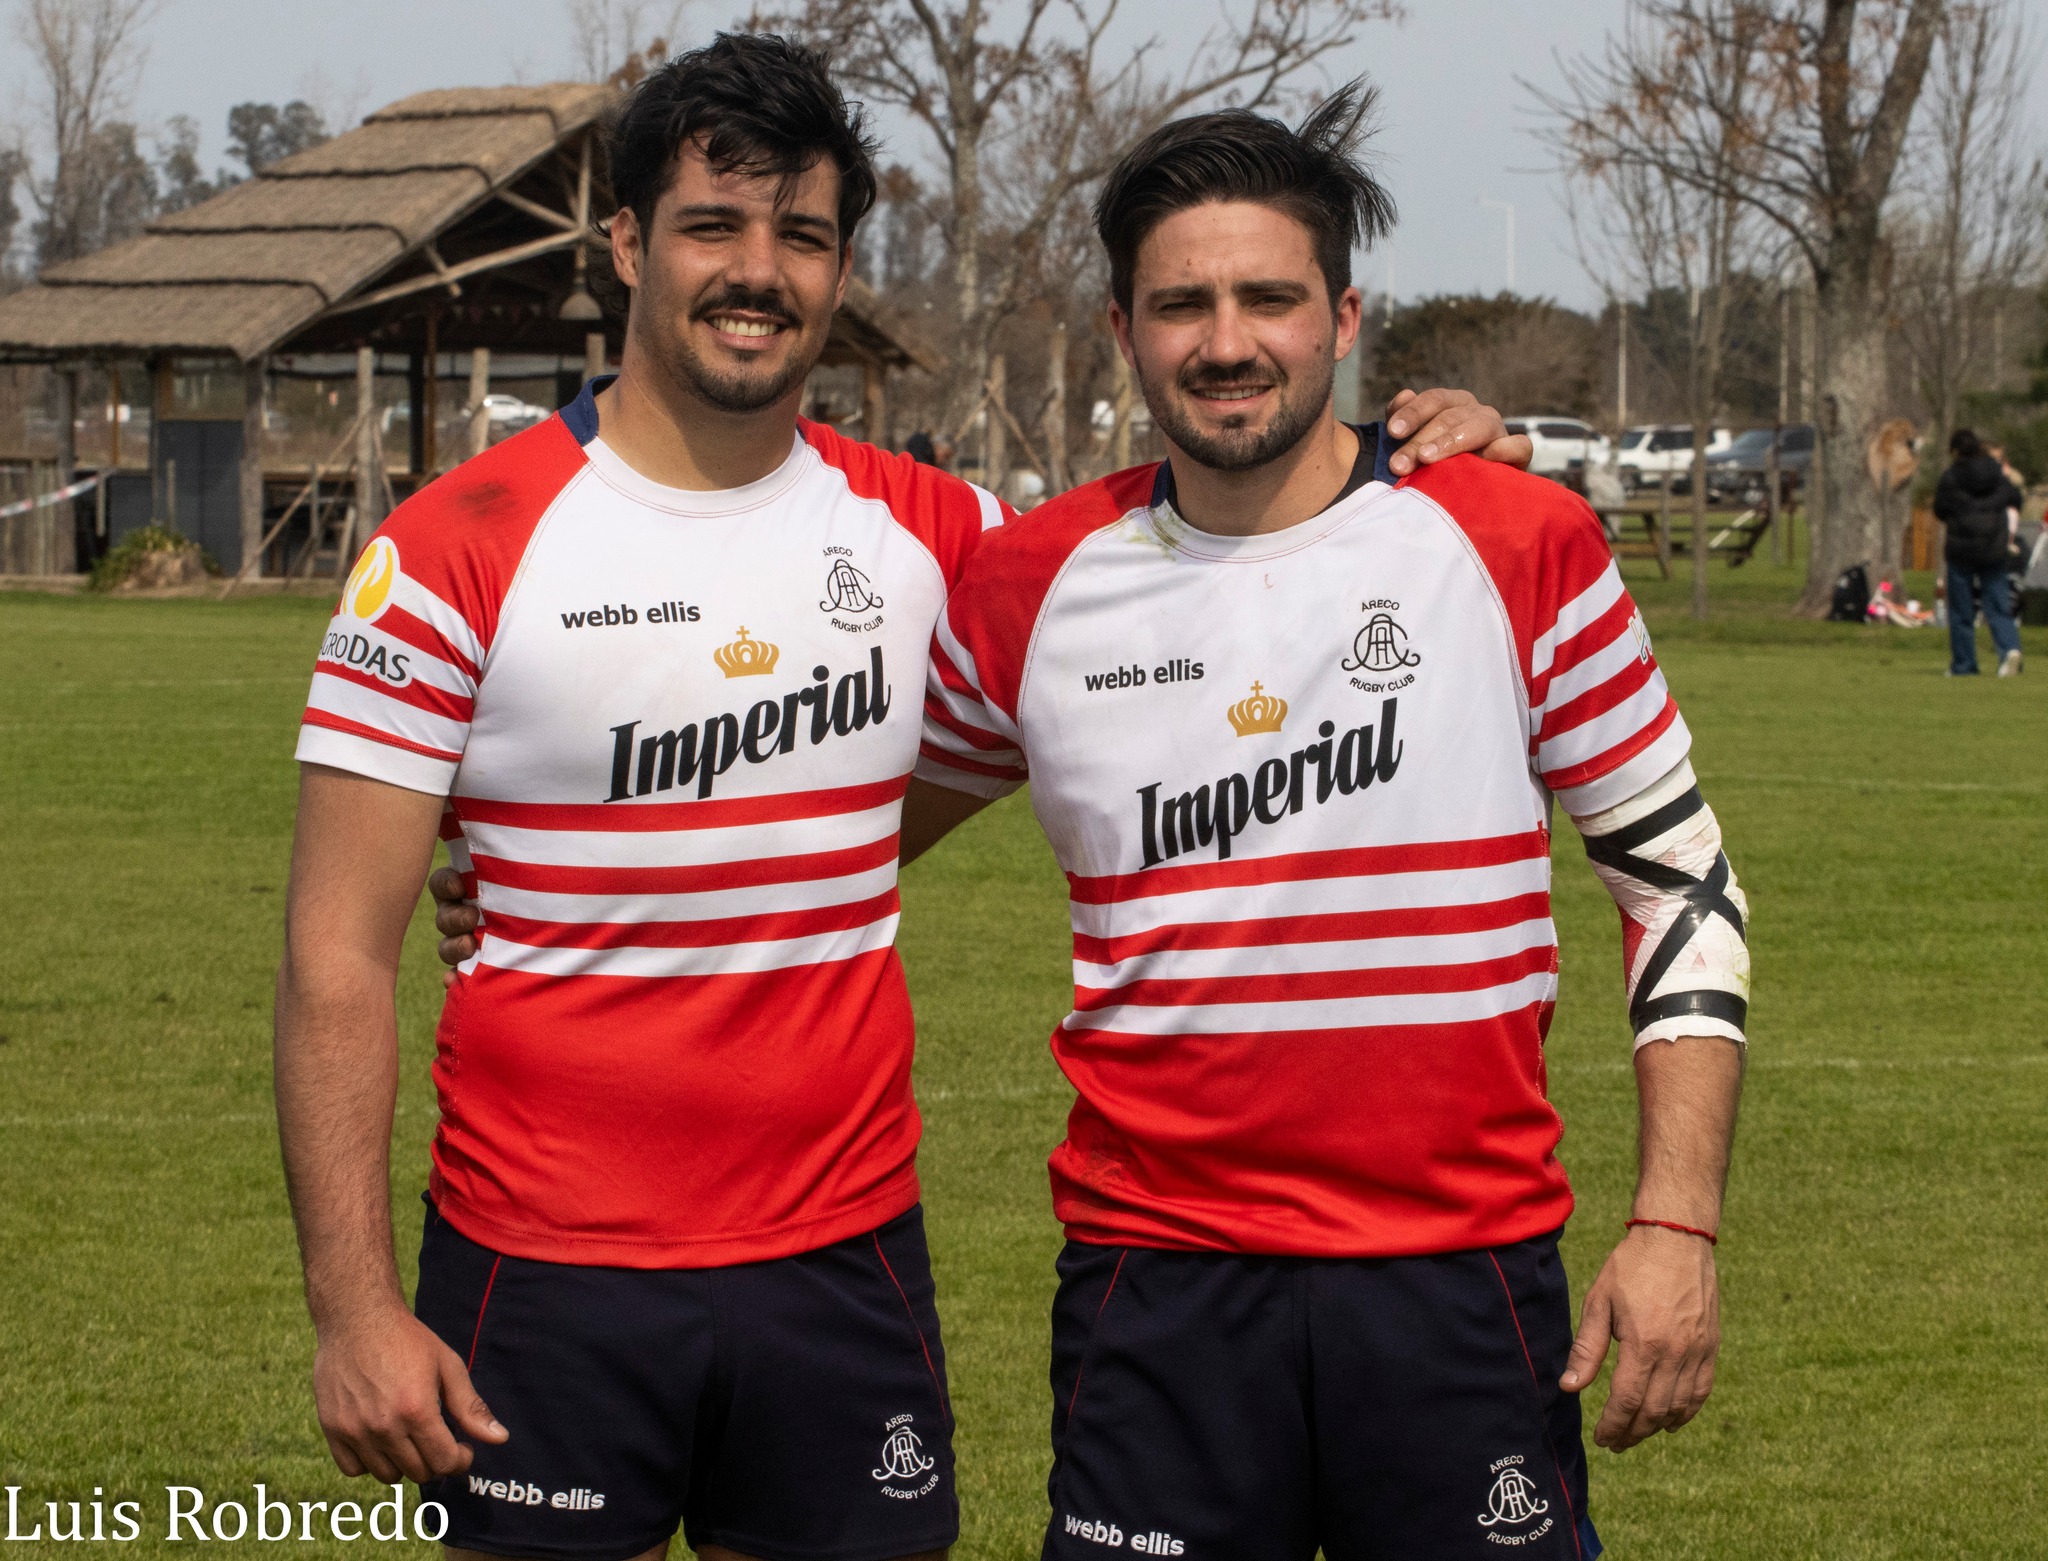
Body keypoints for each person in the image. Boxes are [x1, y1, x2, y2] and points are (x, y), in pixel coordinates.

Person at [284, 33, 1529, 1561]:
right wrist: (352, 1309)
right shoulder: (455, 543)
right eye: (712, 227)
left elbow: (1218, 554)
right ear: (624, 244)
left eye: (802, 235)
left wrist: (1440, 459)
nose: (759, 272)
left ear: (842, 263)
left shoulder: (954, 540)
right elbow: (335, 959)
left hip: (843, 1259)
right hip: (542, 1267)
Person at [910, 93, 1750, 1559]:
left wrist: (1674, 1220)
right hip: (1156, 1289)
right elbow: (825, 824)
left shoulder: (1511, 538)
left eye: (1269, 298)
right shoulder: (1034, 583)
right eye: (1182, 302)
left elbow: (1678, 876)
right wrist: (521, 876)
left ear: (1345, 316)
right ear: (1122, 329)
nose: (1226, 340)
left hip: (1458, 1276)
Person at [1933, 427, 2023, 677]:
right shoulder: (1996, 473)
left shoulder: (1951, 477)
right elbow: (2015, 497)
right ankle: (2009, 651)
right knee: (1998, 605)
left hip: (1961, 549)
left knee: (1961, 610)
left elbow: (1939, 509)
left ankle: (1964, 664)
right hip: (1993, 548)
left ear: (1955, 451)